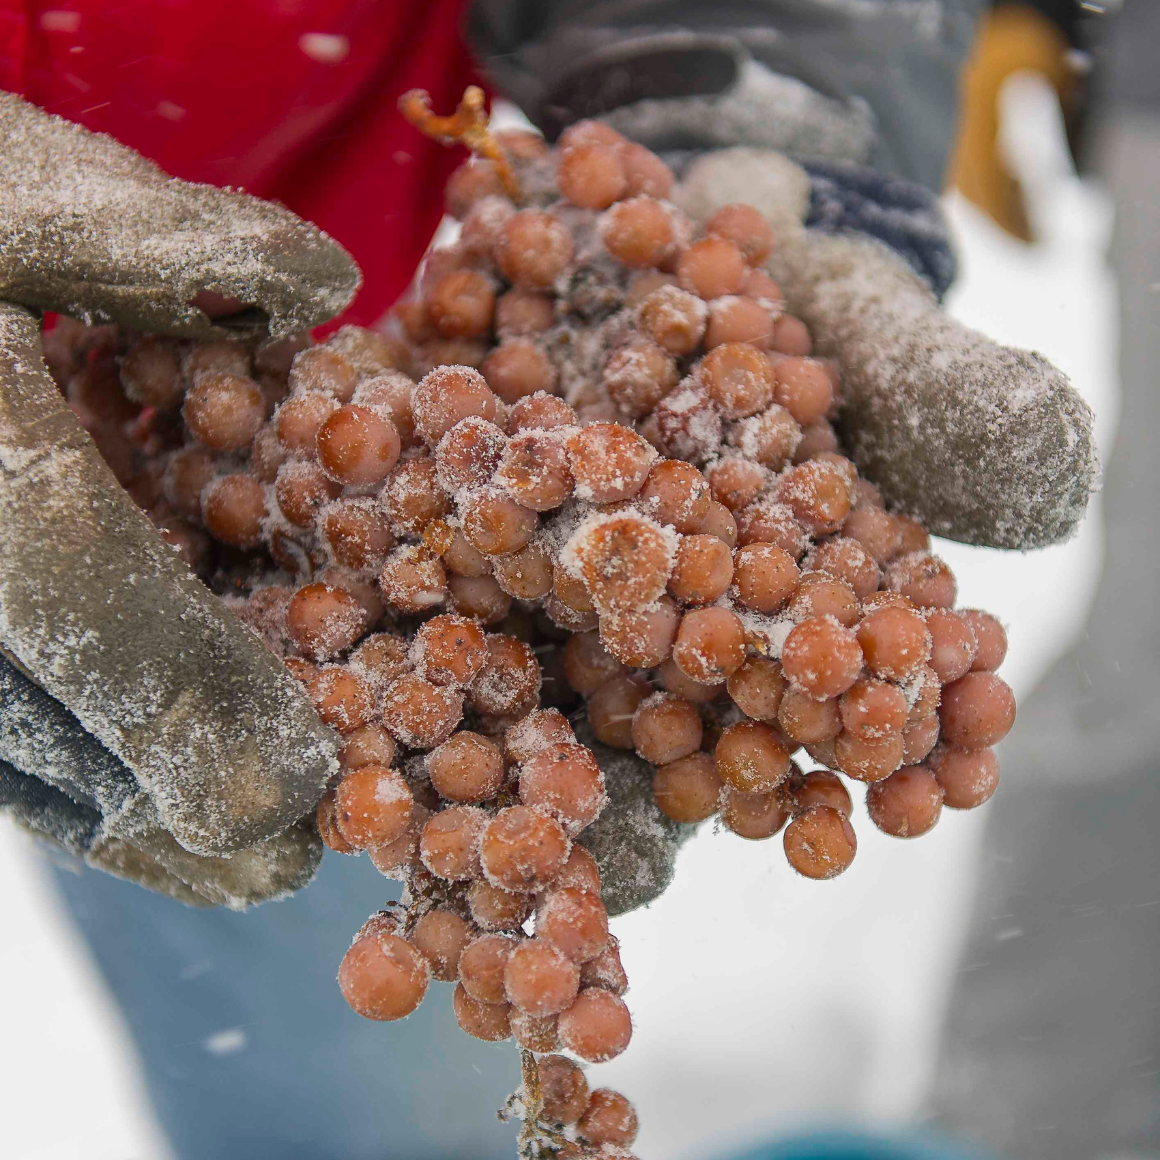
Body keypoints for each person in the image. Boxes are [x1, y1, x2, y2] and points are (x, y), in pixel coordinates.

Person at [0, 2, 1102, 1156]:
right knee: (284, 982)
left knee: (289, 819)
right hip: (133, 507)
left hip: (289, 386)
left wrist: (743, 82)